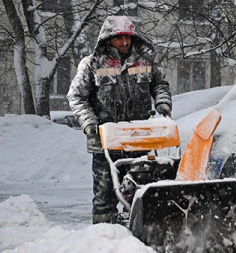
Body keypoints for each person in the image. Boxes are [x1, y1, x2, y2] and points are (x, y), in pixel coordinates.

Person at [67, 15, 172, 224]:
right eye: (119, 38)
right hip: (106, 142)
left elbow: (160, 84)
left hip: (140, 139)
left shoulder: (145, 61)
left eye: (128, 38)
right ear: (107, 39)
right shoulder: (92, 64)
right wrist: (89, 122)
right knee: (104, 195)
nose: (125, 42)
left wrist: (162, 102)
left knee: (142, 191)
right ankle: (104, 236)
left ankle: (142, 234)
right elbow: (76, 96)